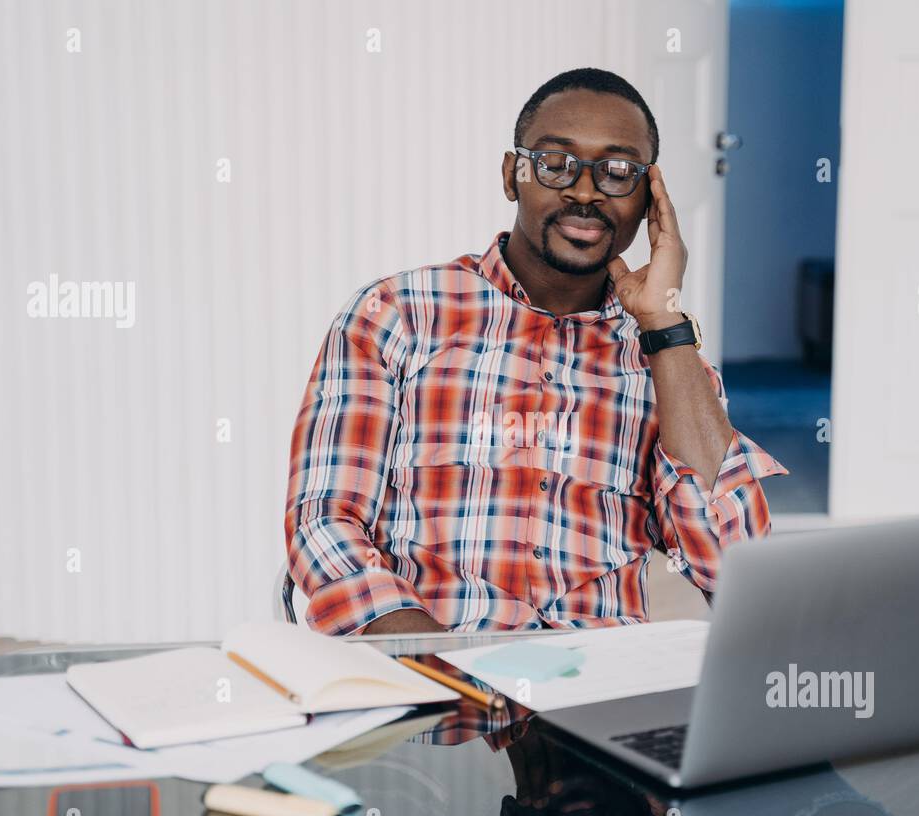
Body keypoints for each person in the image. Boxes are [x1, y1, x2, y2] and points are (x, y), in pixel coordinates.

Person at [284, 67, 787, 636]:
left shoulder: (671, 362)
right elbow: (324, 522)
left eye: (618, 171)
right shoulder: (397, 313)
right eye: (555, 163)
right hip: (431, 673)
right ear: (511, 174)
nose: (584, 191)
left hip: (596, 685)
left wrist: (664, 325)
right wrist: (428, 664)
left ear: (649, 197)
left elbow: (735, 572)